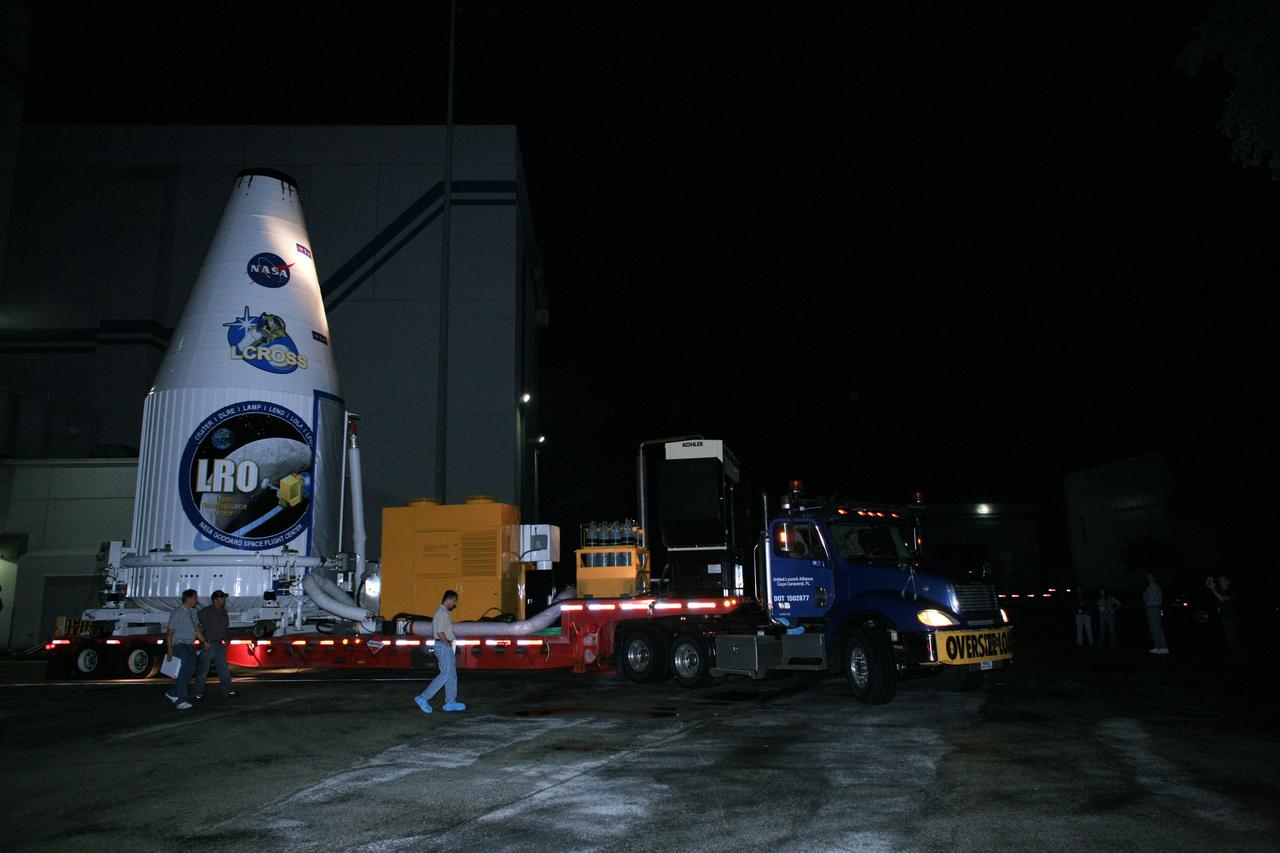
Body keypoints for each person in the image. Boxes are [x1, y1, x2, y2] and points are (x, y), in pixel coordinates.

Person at [414, 590, 466, 713]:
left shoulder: (444, 612)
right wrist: (447, 643)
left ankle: (450, 702)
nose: (455, 604)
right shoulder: (441, 613)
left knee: (451, 675)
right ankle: (423, 698)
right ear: (449, 599)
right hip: (443, 646)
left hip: (444, 645)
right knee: (445, 674)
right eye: (454, 601)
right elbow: (440, 632)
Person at [165, 589, 205, 709]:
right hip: (180, 645)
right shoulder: (177, 613)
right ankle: (181, 701)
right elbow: (170, 633)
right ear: (188, 599)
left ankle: (172, 692)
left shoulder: (193, 612)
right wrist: (170, 650)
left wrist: (204, 641)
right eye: (195, 598)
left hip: (190, 646)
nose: (197, 600)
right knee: (182, 673)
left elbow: (196, 629)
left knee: (190, 671)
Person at [194, 589, 235, 699]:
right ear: (215, 600)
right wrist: (203, 638)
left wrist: (226, 639)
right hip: (209, 643)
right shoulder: (205, 612)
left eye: (224, 598)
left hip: (220, 643)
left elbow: (225, 627)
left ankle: (227, 690)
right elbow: (196, 624)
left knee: (223, 668)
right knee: (203, 669)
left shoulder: (223, 612)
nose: (224, 600)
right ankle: (197, 692)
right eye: (222, 598)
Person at [1205, 575, 1242, 659]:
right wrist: (1209, 580)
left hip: (1231, 617)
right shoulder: (1220, 590)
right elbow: (1208, 585)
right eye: (1219, 580)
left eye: (1222, 580)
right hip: (1223, 617)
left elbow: (1222, 599)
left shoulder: (1231, 591)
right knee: (1227, 638)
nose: (1220, 582)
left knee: (1232, 638)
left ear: (1227, 582)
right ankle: (1234, 655)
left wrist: (1212, 589)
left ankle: (1237, 657)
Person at [1143, 572, 1169, 655]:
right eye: (1148, 577)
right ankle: (1158, 646)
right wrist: (1146, 598)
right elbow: (1144, 597)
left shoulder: (1155, 587)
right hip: (1151, 608)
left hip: (1154, 608)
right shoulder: (1149, 587)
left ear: (1154, 578)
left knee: (1156, 628)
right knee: (1153, 629)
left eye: (1150, 577)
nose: (1149, 578)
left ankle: (1164, 647)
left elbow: (1148, 598)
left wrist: (1146, 598)